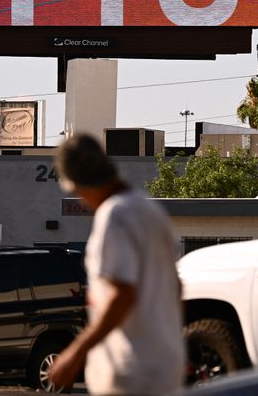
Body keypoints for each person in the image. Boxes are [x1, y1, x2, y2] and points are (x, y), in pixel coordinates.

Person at [49, 133, 185, 395]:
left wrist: (75, 353)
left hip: (129, 369)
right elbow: (176, 287)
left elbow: (122, 295)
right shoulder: (150, 210)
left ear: (80, 184)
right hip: (165, 364)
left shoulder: (114, 215)